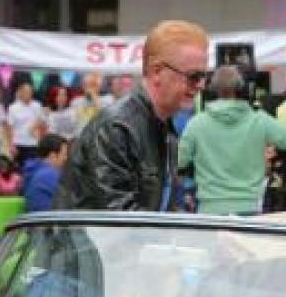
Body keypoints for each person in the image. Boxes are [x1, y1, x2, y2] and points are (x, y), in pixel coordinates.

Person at [56, 20, 209, 211]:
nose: (201, 85)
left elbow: (159, 210)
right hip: (91, 241)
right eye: (194, 77)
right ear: (157, 72)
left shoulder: (162, 126)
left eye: (204, 77)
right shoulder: (117, 128)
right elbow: (120, 219)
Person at [180, 66, 286, 216]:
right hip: (249, 211)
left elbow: (178, 162)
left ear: (211, 91)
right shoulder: (259, 121)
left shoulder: (196, 124)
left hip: (209, 211)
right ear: (243, 90)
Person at [23, 134, 68, 212]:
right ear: (53, 156)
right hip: (50, 221)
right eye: (64, 155)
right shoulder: (49, 175)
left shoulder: (34, 172)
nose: (66, 158)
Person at [4, 80, 45, 165]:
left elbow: (42, 121)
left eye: (30, 92)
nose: (28, 94)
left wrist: (35, 128)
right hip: (18, 143)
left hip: (33, 144)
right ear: (21, 93)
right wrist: (11, 145)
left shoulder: (37, 106)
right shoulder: (13, 107)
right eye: (26, 92)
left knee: (32, 168)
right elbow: (9, 128)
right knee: (18, 169)